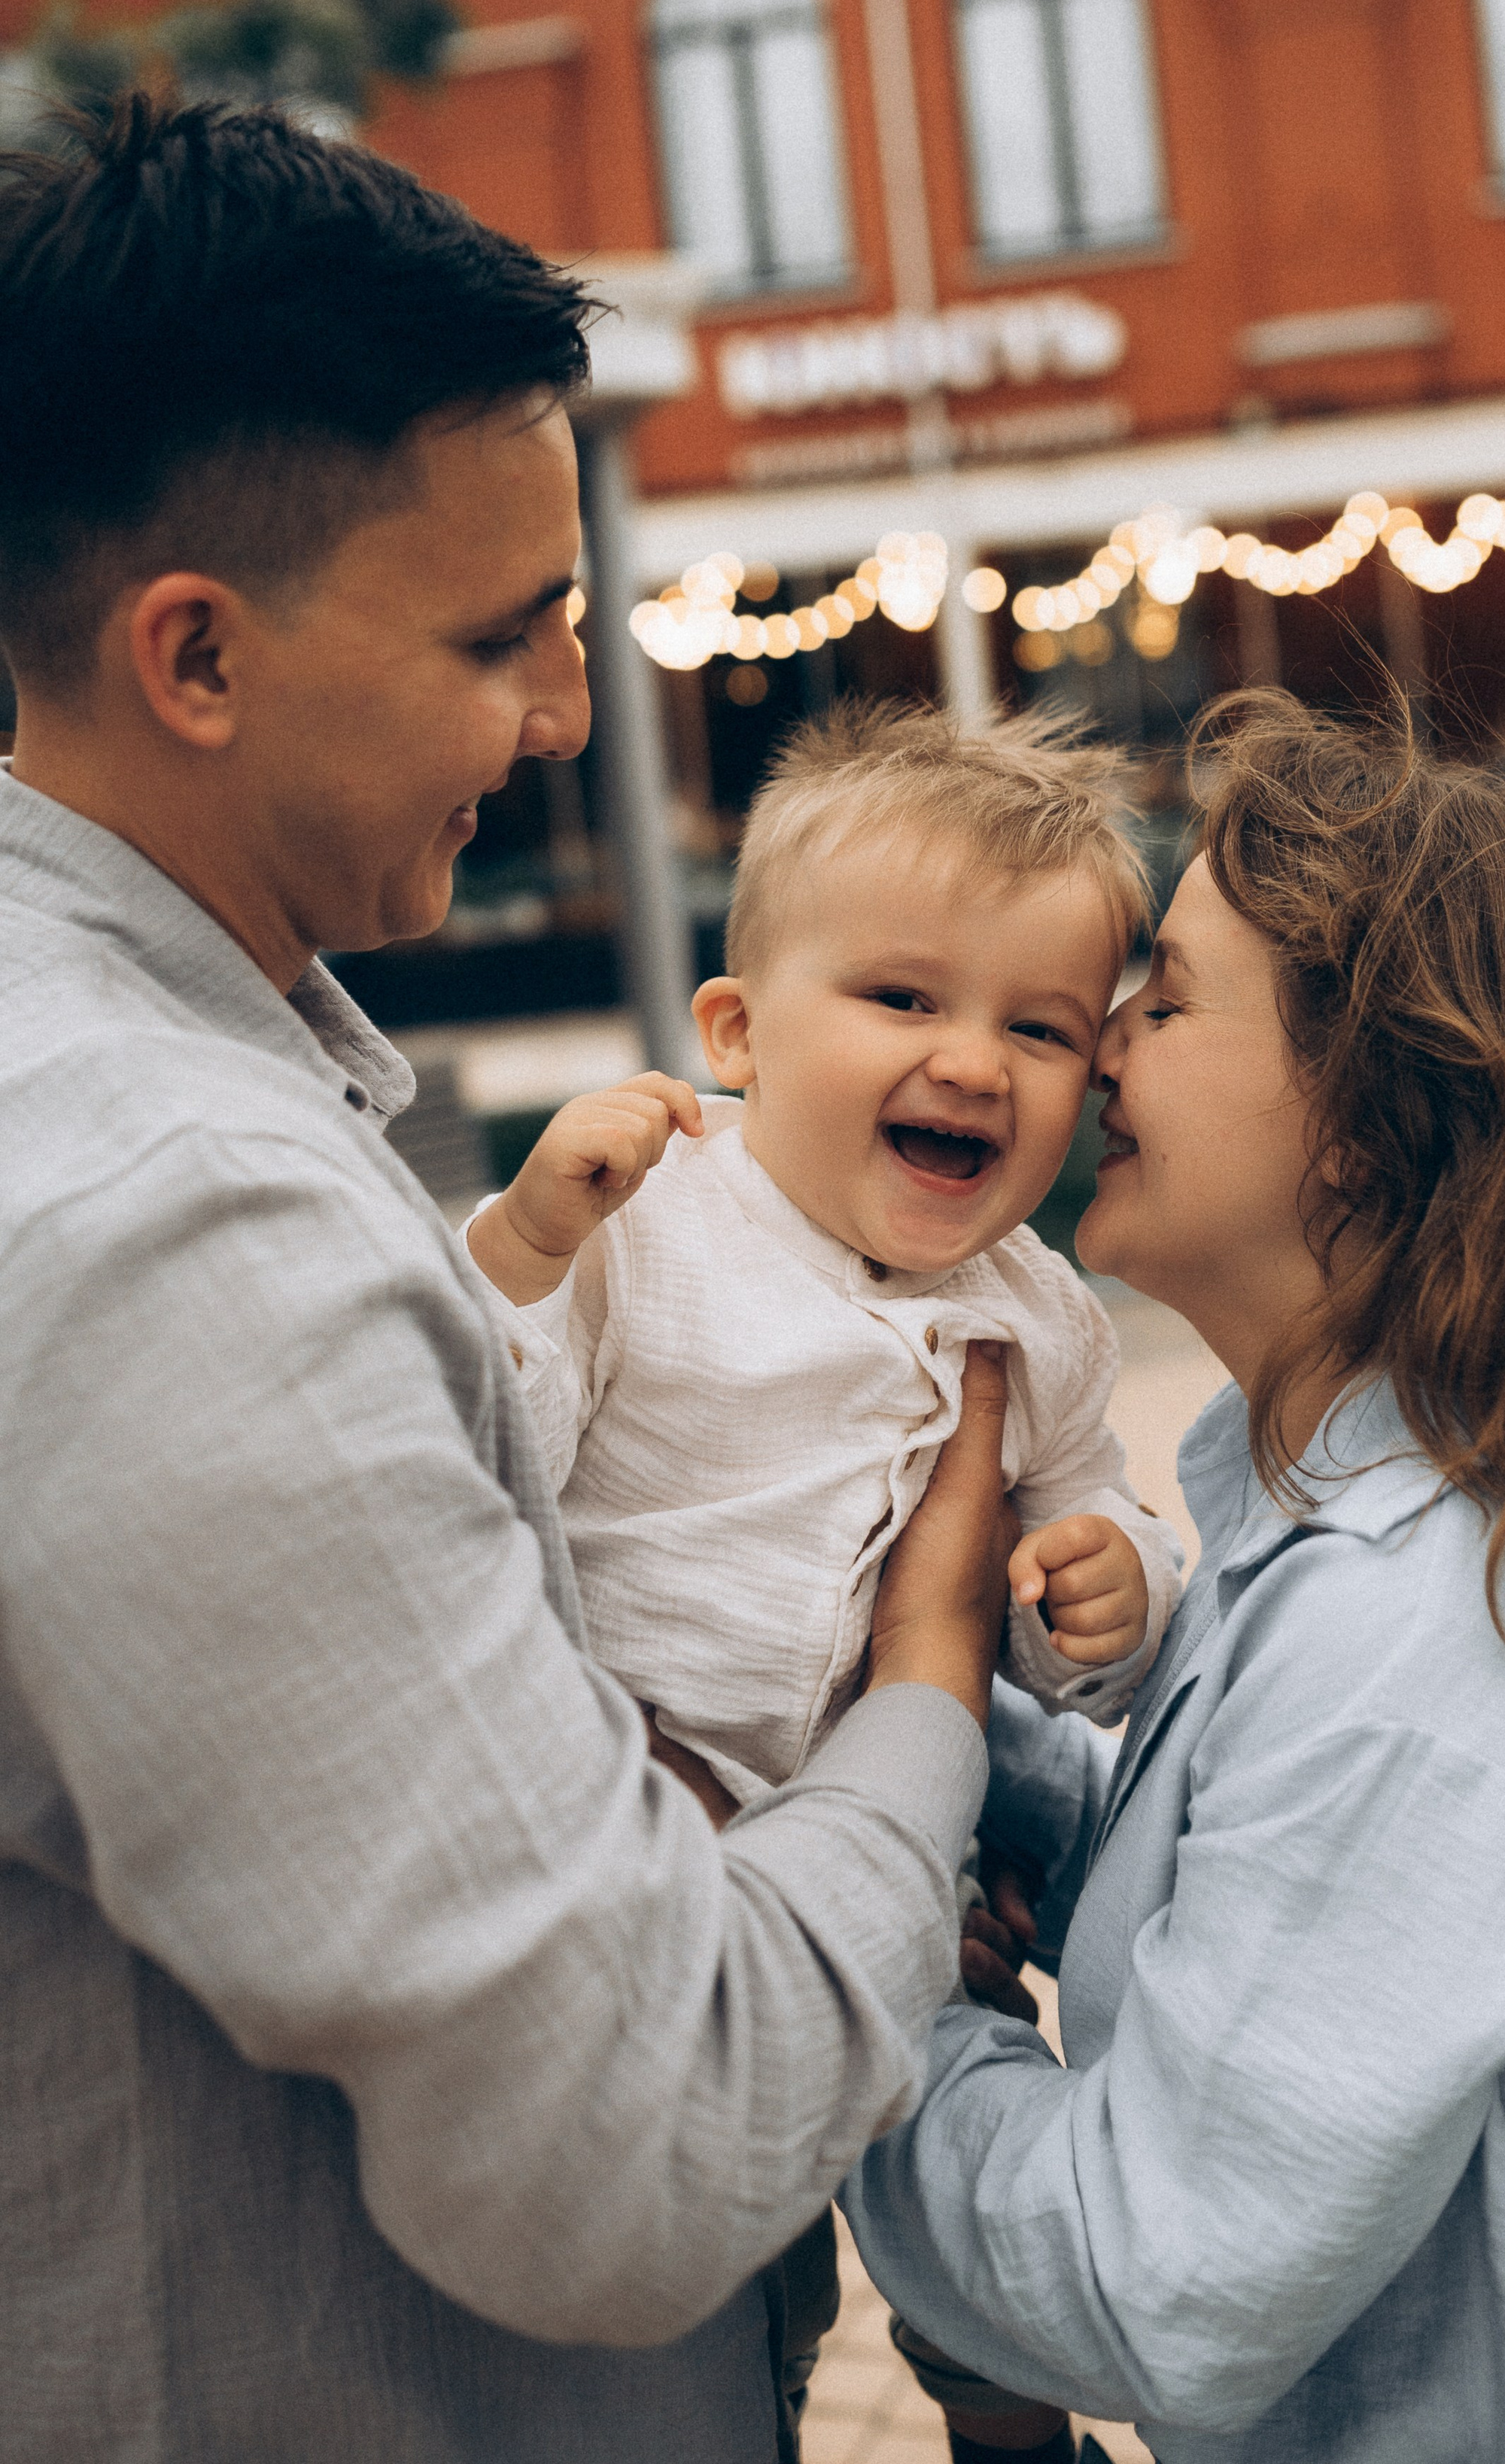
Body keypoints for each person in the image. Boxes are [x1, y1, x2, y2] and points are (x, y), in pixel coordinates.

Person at [0, 96, 1019, 2462]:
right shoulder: (184, 1231)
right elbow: (630, 2150)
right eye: (502, 637)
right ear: (197, 657)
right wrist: (931, 1677)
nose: (568, 714)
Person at [846, 688, 1505, 2462]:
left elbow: (1150, 2279)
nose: (1092, 1047)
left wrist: (851, 1977)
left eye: (1166, 997)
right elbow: (1261, 1841)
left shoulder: (1448, 1618)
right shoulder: (1419, 1520)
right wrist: (948, 1736)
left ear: (1361, 1116)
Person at [464, 703, 1187, 2441]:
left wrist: (1118, 1588)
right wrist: (528, 1240)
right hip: (638, 1818)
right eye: (902, 999)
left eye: (1037, 1026)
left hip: (892, 1860)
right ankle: (761, 2388)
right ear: (734, 1033)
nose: (973, 1061)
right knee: (725, 2241)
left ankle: (1003, 2417)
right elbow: (476, 1440)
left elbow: (1094, 1532)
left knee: (959, 2176)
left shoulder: (1042, 1314)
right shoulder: (655, 1223)